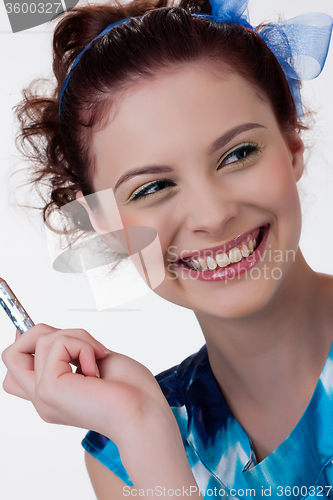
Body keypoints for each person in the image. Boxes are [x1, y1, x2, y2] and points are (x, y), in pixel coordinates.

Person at [2, 0, 333, 498]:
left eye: (238, 154)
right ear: (103, 223)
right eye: (152, 187)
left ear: (292, 145)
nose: (212, 215)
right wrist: (142, 432)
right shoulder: (124, 457)